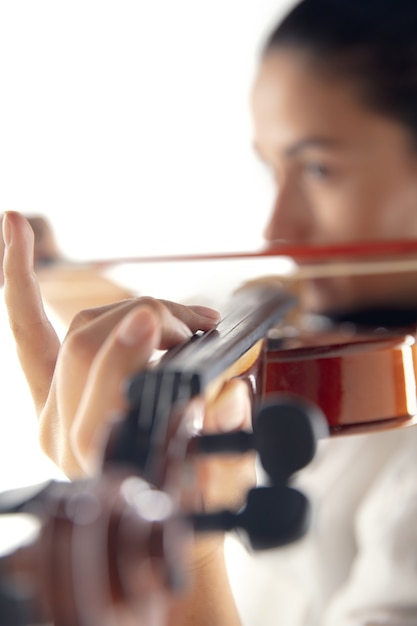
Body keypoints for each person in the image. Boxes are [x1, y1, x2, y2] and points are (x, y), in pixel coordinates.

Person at [2, 0, 417, 624]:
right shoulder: (307, 307)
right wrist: (51, 269)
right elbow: (173, 316)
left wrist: (186, 564)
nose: (278, 229)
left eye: (319, 168)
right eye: (272, 168)